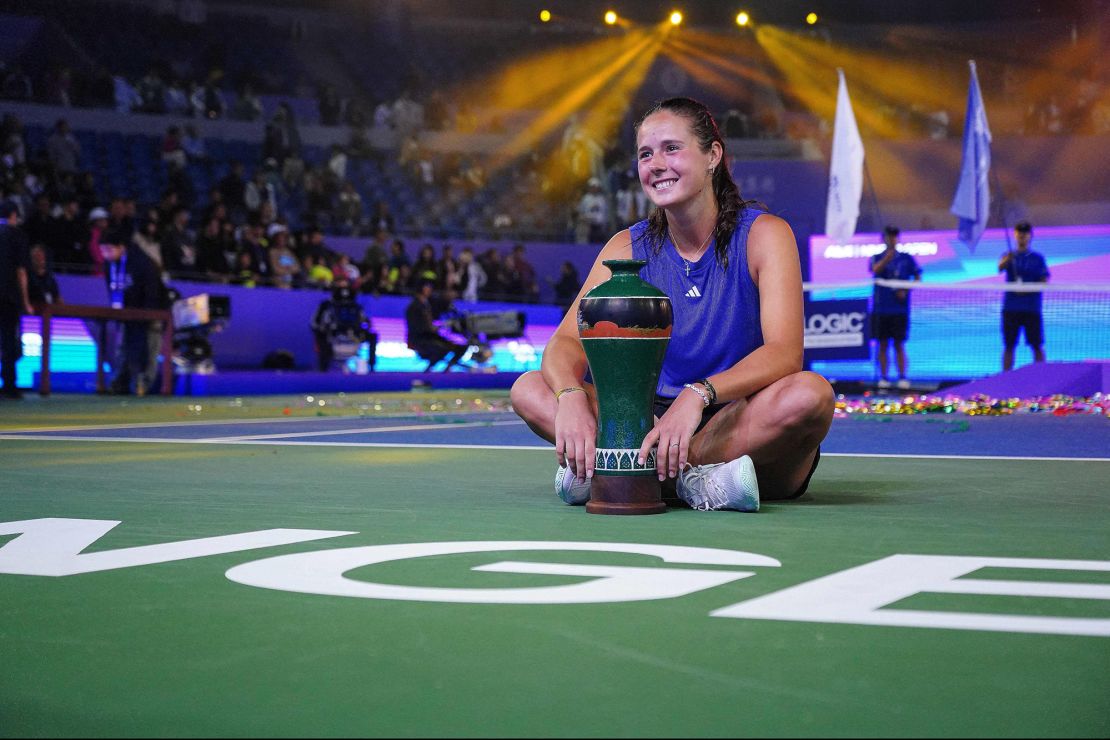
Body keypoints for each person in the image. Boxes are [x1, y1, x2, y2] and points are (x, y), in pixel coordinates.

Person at [510, 97, 834, 512]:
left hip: (731, 412)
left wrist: (697, 395)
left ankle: (628, 473)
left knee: (810, 395)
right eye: (646, 154)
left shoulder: (765, 235)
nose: (656, 164)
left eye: (671, 148)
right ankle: (695, 482)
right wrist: (571, 395)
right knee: (530, 388)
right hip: (649, 421)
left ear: (712, 155)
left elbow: (785, 354)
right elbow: (565, 344)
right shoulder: (628, 244)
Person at [100, 226, 167, 395]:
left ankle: (143, 385)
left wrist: (148, 315)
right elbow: (113, 290)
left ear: (121, 247)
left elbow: (153, 291)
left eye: (108, 249)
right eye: (102, 250)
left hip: (151, 312)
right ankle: (120, 384)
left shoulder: (143, 262)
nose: (105, 254)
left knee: (148, 349)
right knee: (122, 348)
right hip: (126, 313)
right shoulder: (109, 265)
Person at [868, 225, 921, 390]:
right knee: (882, 344)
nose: (892, 239)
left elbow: (918, 276)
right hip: (881, 309)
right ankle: (883, 378)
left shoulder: (906, 258)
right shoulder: (876, 257)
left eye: (894, 236)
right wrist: (887, 259)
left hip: (899, 309)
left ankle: (903, 377)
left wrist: (905, 290)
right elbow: (874, 270)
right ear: (883, 239)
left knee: (899, 344)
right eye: (889, 236)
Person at [999, 221, 1050, 371]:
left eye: (1025, 233)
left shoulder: (1037, 258)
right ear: (1015, 235)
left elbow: (1043, 280)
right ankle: (1005, 377)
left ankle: (1041, 375)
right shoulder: (1009, 256)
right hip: (1011, 308)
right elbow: (1000, 268)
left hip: (1031, 309)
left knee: (1037, 345)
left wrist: (1027, 290)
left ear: (1030, 236)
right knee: (1009, 345)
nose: (1022, 236)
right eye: (1019, 233)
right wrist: (1007, 259)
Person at [1, 202, 34, 399]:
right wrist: (26, 301)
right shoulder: (16, 235)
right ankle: (9, 386)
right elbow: (21, 271)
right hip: (7, 297)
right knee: (8, 341)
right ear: (14, 215)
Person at [310, 276, 377, 372]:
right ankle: (323, 369)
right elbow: (315, 324)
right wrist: (326, 329)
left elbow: (366, 321)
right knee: (322, 337)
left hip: (354, 335)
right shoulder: (326, 305)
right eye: (340, 286)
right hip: (333, 335)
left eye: (345, 286)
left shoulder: (356, 306)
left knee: (372, 336)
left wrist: (360, 328)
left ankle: (371, 366)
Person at [405, 279, 468, 371]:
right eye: (427, 287)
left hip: (430, 336)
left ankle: (447, 369)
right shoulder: (414, 306)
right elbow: (419, 327)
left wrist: (440, 327)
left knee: (460, 347)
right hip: (420, 339)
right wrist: (435, 328)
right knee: (442, 348)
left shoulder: (428, 304)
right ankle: (428, 370)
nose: (430, 289)